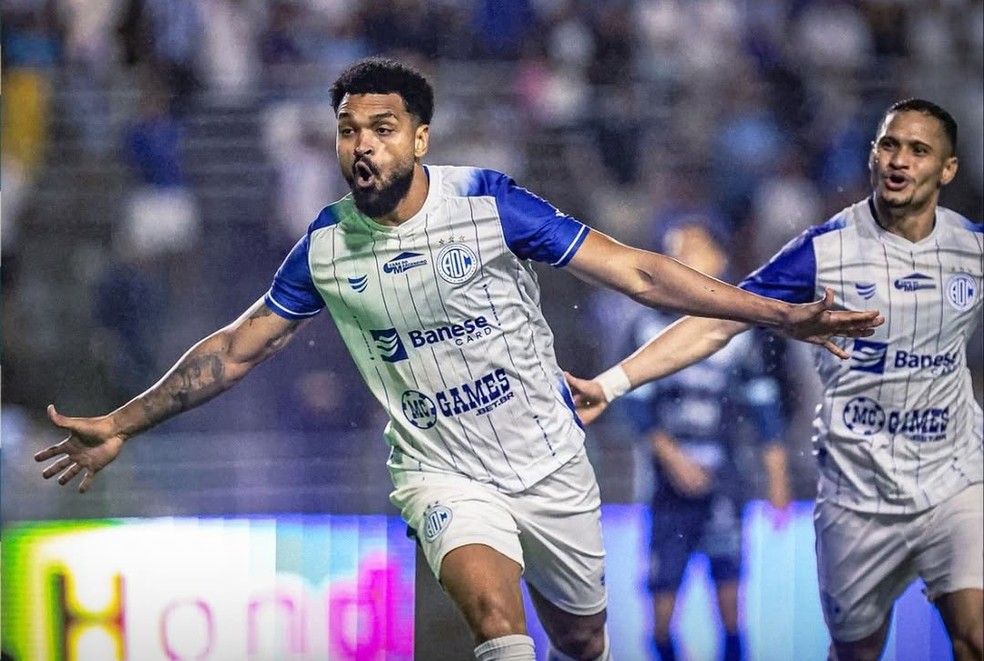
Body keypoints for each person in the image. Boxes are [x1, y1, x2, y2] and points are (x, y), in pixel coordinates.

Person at [34, 57, 881, 661]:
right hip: (441, 472)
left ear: (420, 138)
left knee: (582, 636)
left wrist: (779, 314)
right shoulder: (325, 247)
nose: (362, 146)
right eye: (347, 132)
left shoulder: (487, 202)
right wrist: (122, 420)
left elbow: (638, 272)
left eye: (381, 129)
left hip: (549, 461)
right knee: (494, 619)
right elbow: (232, 349)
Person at [566, 98, 982, 661]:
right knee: (856, 651)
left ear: (948, 169)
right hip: (857, 492)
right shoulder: (823, 251)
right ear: (872, 155)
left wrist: (775, 468)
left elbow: (757, 396)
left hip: (956, 477)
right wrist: (613, 383)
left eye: (918, 149)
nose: (899, 159)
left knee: (974, 634)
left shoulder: (972, 248)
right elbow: (717, 324)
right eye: (889, 145)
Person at [613, 216, 792, 661]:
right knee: (659, 619)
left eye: (691, 249)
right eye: (673, 251)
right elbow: (633, 404)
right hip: (666, 491)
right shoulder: (645, 327)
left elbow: (764, 406)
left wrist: (778, 478)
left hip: (725, 483)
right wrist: (672, 458)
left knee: (730, 611)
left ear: (718, 258)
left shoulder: (740, 329)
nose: (681, 260)